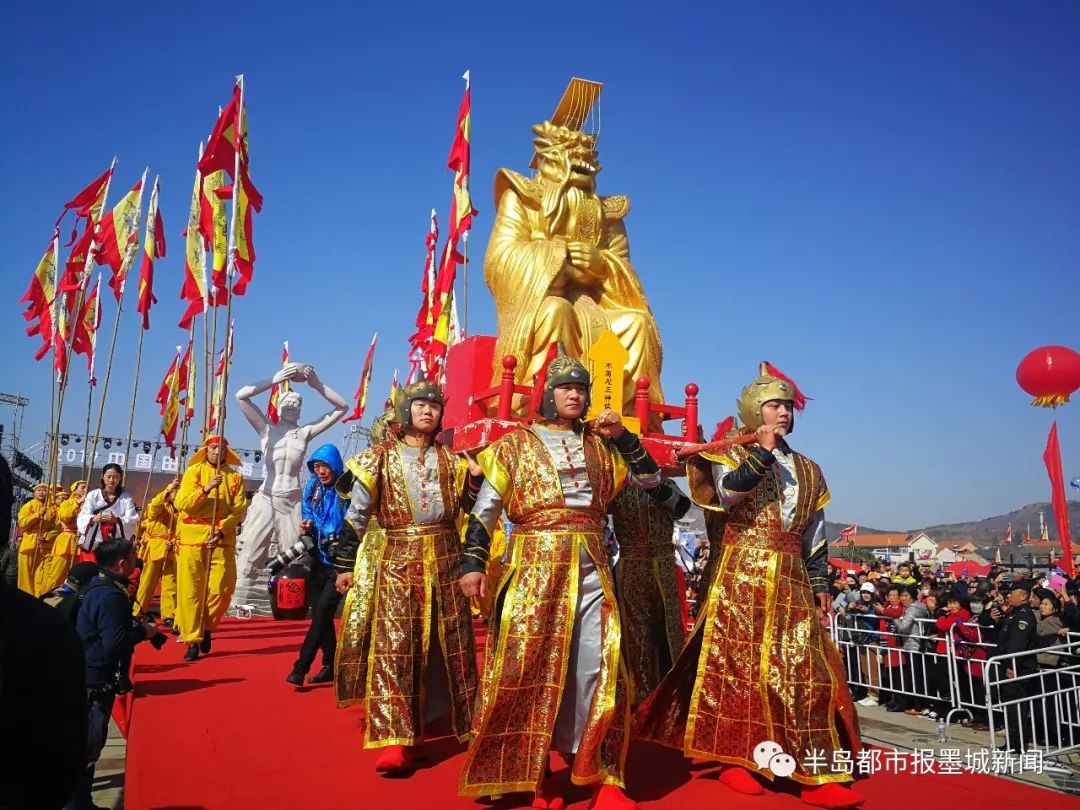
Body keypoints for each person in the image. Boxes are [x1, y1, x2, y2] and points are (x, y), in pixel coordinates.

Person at [636, 362, 863, 810]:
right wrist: (760, 453)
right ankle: (733, 759)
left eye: (786, 406)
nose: (783, 413)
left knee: (802, 669)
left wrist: (819, 580)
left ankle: (814, 767)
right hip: (740, 574)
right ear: (752, 411)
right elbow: (728, 495)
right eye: (772, 405)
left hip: (791, 578)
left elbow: (813, 535)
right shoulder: (727, 455)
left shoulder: (810, 470)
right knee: (736, 669)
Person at [459, 354, 661, 810]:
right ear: (547, 395)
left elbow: (649, 479)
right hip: (532, 566)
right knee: (527, 668)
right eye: (567, 387)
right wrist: (472, 563)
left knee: (598, 664)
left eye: (583, 388)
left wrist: (622, 436)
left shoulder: (602, 445)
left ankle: (602, 773)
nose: (576, 394)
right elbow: (485, 511)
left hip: (593, 565)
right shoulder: (513, 445)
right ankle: (528, 775)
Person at [333, 382, 480, 774]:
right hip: (398, 560)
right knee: (397, 647)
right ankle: (397, 738)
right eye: (421, 405)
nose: (428, 411)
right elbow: (356, 516)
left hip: (448, 558)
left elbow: (472, 508)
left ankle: (466, 725)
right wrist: (345, 564)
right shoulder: (377, 459)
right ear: (405, 410)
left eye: (434, 405)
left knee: (452, 648)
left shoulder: (455, 461)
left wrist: (477, 479)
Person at [233, 363, 348, 598]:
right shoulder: (266, 430)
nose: (291, 406)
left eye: (296, 404)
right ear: (278, 406)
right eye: (287, 403)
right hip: (266, 496)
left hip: (292, 499)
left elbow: (342, 408)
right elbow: (241, 396)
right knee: (249, 551)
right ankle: (240, 600)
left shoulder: (304, 433)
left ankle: (288, 602)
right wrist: (275, 379)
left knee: (294, 555)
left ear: (300, 410)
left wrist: (317, 386)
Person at [66, 537, 162, 810]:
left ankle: (83, 800)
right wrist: (145, 631)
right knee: (88, 745)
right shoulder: (110, 595)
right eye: (133, 557)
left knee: (88, 745)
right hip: (94, 678)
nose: (136, 562)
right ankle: (74, 803)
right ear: (123, 563)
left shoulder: (99, 586)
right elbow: (115, 640)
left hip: (87, 672)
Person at [609, 476, 690, 703]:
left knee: (668, 630)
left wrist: (653, 483)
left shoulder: (668, 485)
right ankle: (635, 697)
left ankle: (670, 694)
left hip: (663, 566)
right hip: (631, 564)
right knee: (635, 634)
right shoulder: (618, 487)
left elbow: (681, 507)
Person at [174, 436, 248, 661]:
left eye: (222, 448)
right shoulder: (193, 472)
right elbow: (182, 504)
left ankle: (206, 627)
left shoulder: (235, 477)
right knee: (190, 591)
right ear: (206, 449)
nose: (218, 452)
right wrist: (205, 489)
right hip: (193, 537)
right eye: (214, 447)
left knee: (222, 589)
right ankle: (192, 639)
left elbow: (239, 510)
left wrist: (221, 529)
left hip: (221, 538)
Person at [286, 443, 348, 686]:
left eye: (325, 466)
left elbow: (355, 519)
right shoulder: (312, 487)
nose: (321, 471)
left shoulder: (346, 489)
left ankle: (301, 667)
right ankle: (331, 664)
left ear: (335, 465)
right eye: (317, 467)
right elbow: (309, 512)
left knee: (322, 612)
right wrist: (307, 524)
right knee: (320, 616)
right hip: (319, 558)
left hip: (340, 562)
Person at [987, 580, 1038, 752]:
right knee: (1010, 706)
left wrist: (1012, 665)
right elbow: (1005, 637)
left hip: (1018, 667)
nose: (1008, 596)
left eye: (1012, 593)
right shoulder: (1013, 613)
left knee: (1016, 707)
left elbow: (1018, 643)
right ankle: (1012, 741)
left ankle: (1018, 745)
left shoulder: (1024, 616)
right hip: (1007, 664)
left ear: (1023, 596)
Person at [132, 479, 180, 626]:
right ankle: (137, 612)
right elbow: (154, 506)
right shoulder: (159, 507)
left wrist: (175, 542)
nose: (177, 495)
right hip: (155, 548)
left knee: (170, 583)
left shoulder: (181, 511)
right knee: (147, 583)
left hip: (171, 549)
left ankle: (169, 615)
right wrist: (168, 488)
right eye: (175, 492)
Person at [76, 464, 138, 563]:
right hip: (94, 535)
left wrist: (116, 520)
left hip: (115, 537)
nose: (111, 480)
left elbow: (132, 518)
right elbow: (84, 514)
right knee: (90, 566)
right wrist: (93, 518)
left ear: (120, 478)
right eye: (108, 476)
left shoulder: (126, 497)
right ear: (102, 476)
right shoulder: (93, 494)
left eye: (115, 477)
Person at [38, 481, 86, 596]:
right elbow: (65, 516)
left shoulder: (88, 505)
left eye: (87, 488)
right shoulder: (67, 503)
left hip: (81, 541)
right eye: (83, 487)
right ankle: (47, 598)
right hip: (66, 540)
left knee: (75, 576)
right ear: (75, 490)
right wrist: (77, 503)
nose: (86, 490)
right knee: (57, 573)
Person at [16, 482, 58, 595]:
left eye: (44, 490)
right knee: (26, 575)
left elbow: (56, 527)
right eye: (39, 490)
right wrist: (37, 515)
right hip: (29, 544)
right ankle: (24, 597)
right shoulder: (29, 505)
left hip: (45, 545)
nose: (42, 492)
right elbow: (22, 523)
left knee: (42, 573)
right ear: (34, 493)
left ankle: (38, 596)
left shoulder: (52, 509)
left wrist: (47, 537)